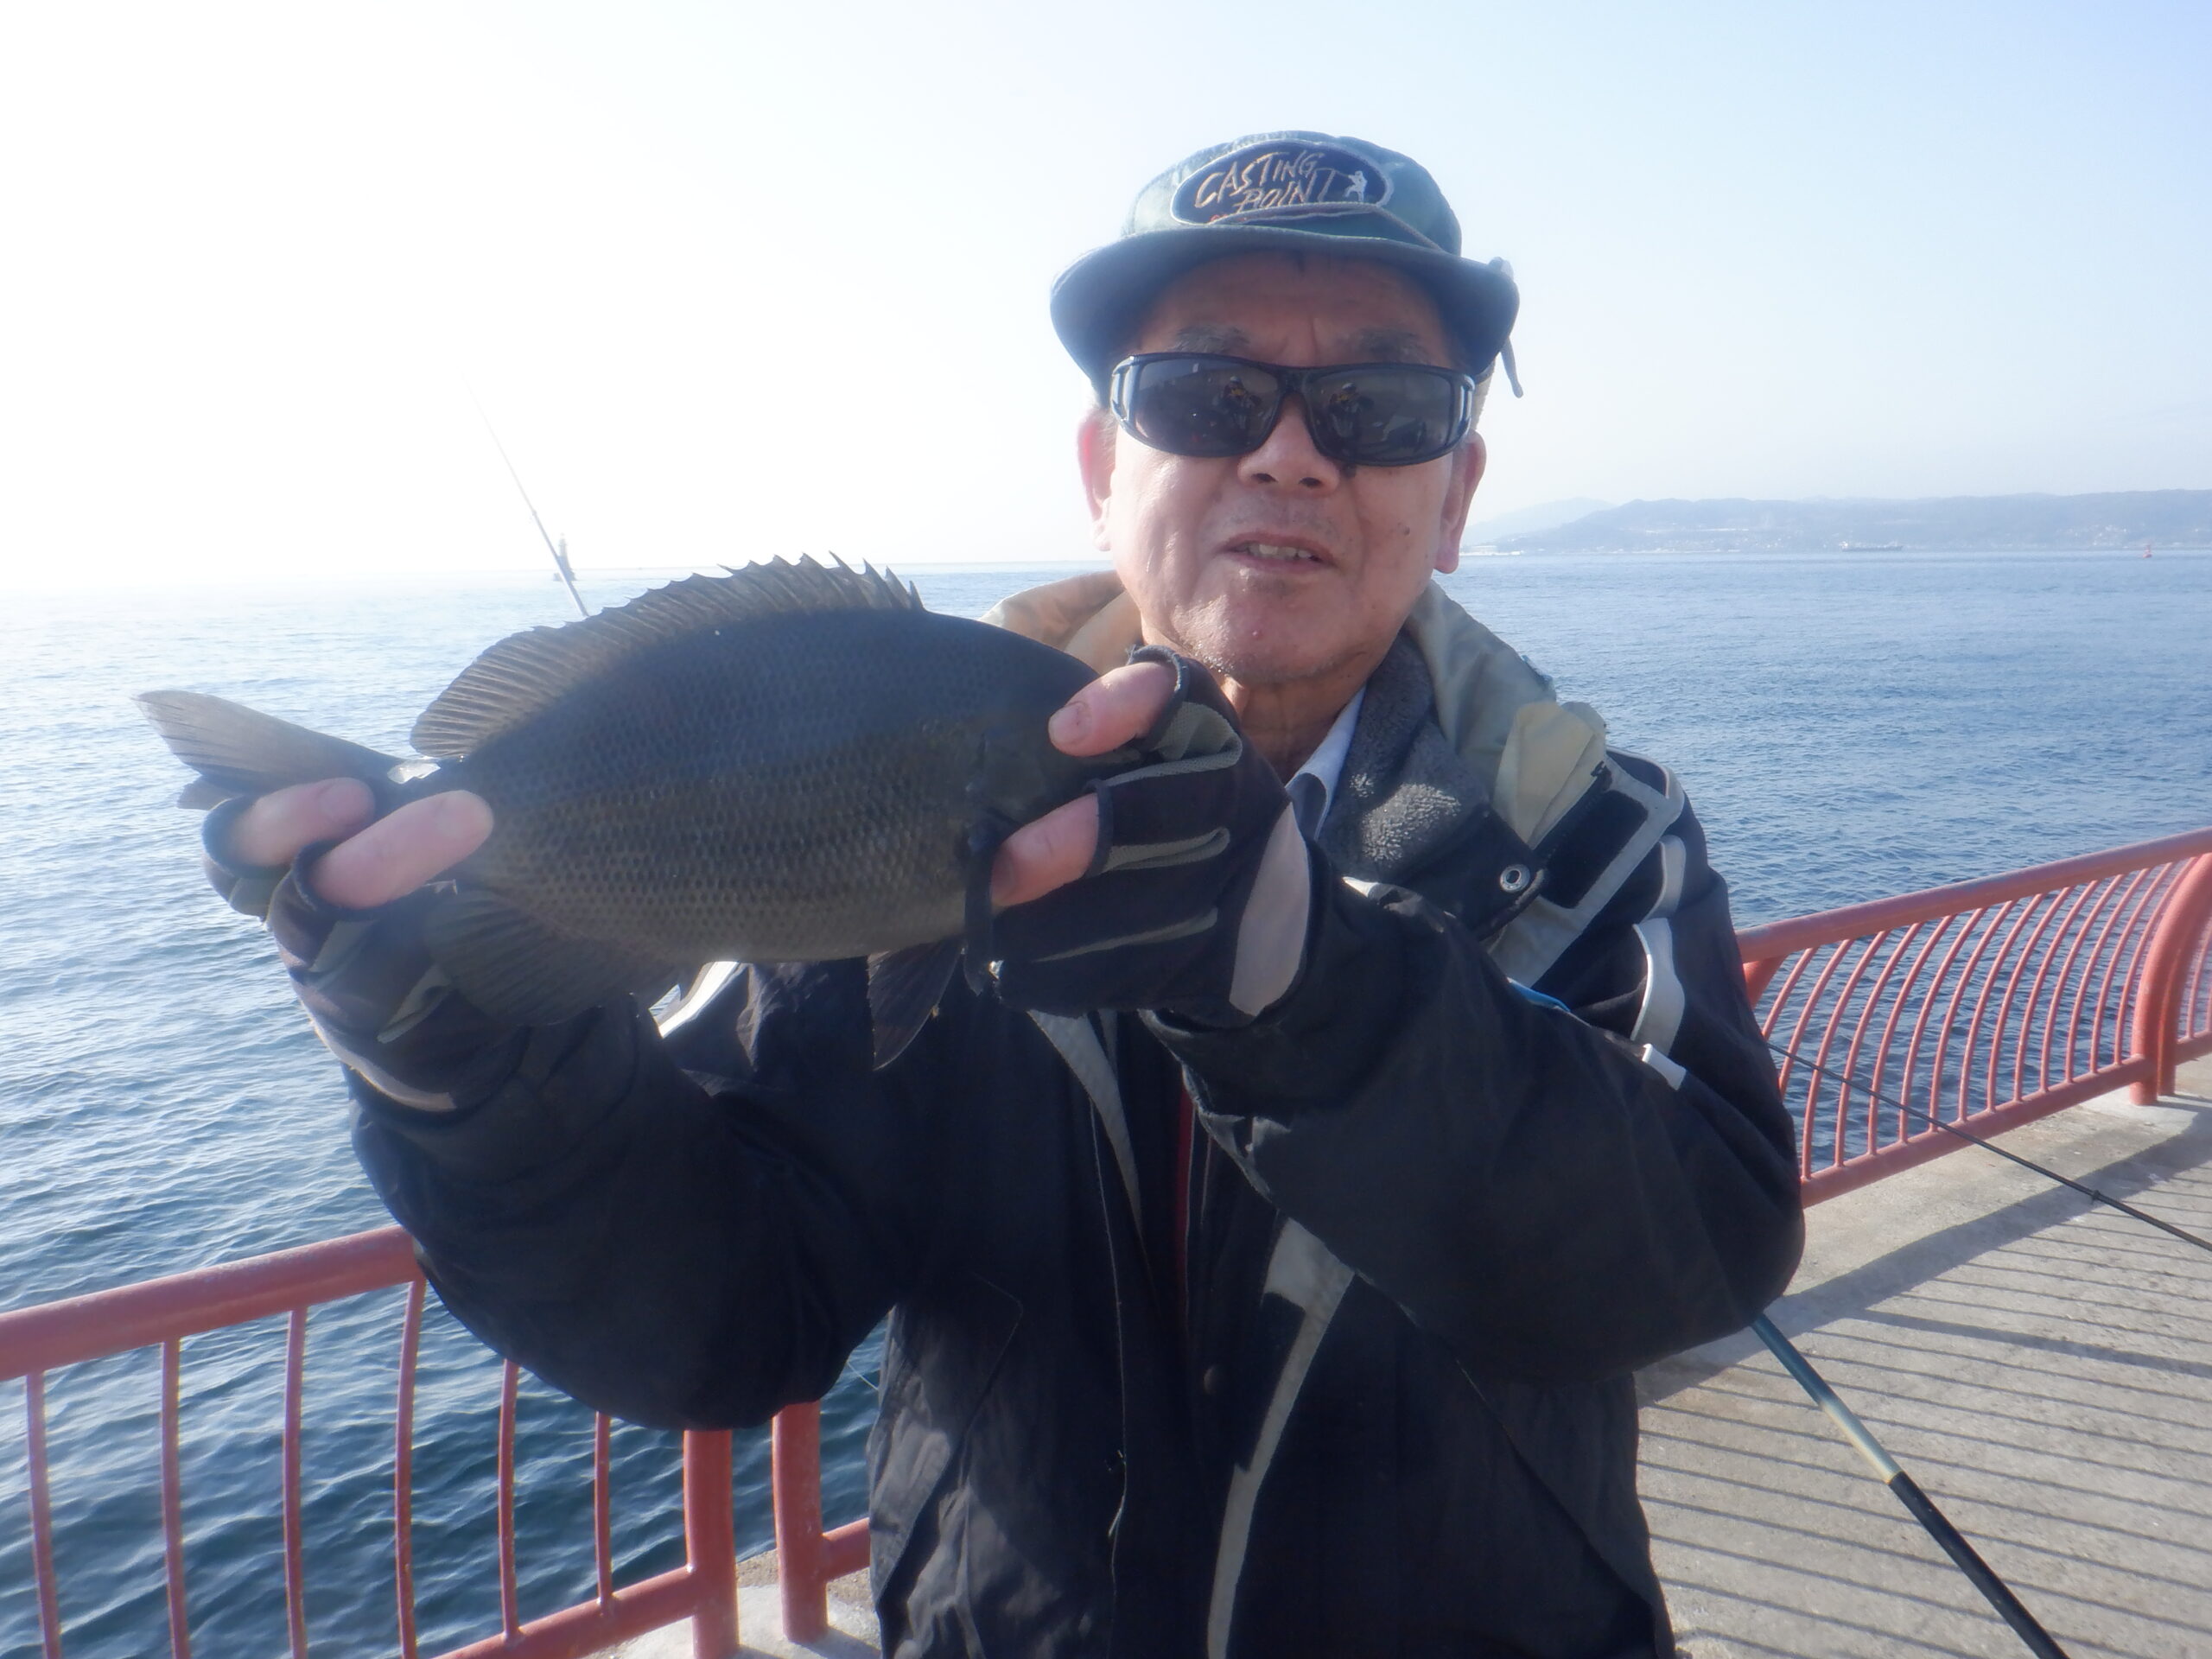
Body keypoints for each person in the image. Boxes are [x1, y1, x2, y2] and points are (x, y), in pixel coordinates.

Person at [202, 132, 1802, 1658]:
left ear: (1455, 496)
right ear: (1105, 471)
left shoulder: (1593, 835)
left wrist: (1307, 984)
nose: (1290, 452)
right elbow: (717, 1317)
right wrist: (475, 1078)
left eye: (1380, 406)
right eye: (1207, 392)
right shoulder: (915, 829)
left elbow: (1703, 1251)